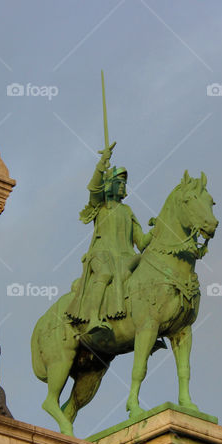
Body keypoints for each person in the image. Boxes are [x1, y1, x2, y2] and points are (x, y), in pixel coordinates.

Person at [66, 142, 151, 331]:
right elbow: (94, 189)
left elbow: (142, 242)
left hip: (125, 258)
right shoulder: (100, 206)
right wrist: (103, 162)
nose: (122, 187)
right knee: (105, 274)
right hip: (101, 254)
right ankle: (93, 319)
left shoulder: (127, 211)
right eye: (119, 183)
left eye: (124, 184)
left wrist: (160, 228)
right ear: (110, 185)